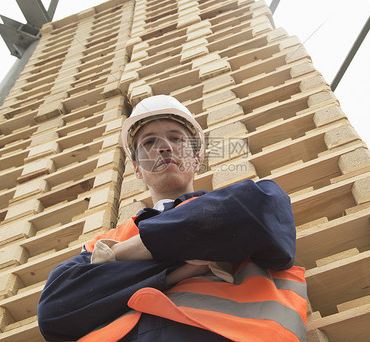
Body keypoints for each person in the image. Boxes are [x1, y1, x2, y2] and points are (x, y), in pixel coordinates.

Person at [37, 95, 307, 341]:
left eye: (176, 139)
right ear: (137, 170)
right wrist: (181, 268)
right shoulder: (104, 241)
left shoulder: (246, 203)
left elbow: (262, 209)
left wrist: (128, 253)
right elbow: (54, 310)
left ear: (196, 159)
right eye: (149, 142)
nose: (164, 147)